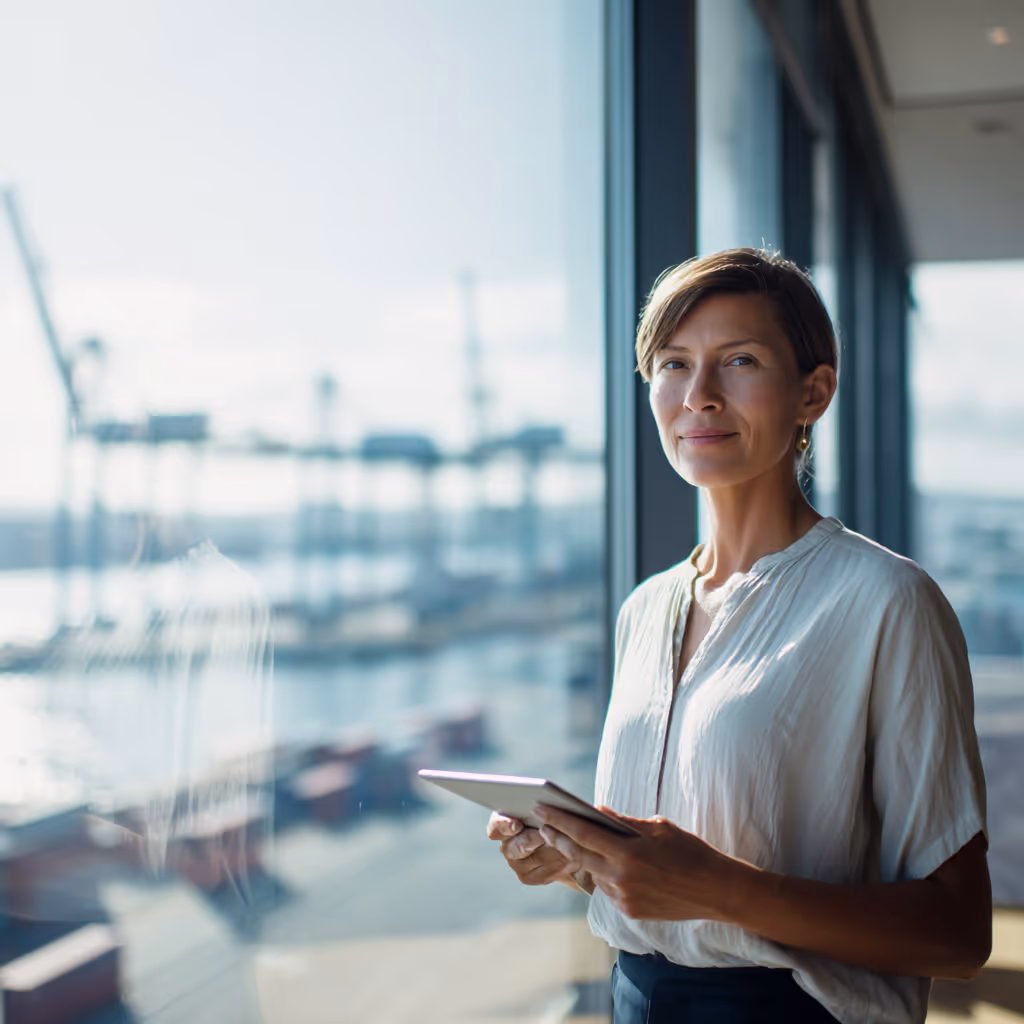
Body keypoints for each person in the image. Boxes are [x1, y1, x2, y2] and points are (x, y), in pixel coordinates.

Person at [487, 248, 990, 1023]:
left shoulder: (887, 601)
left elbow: (958, 934)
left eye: (741, 361)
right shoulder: (646, 609)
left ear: (812, 393)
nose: (699, 397)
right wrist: (579, 861)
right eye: (674, 364)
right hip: (636, 999)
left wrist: (714, 889)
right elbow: (671, 878)